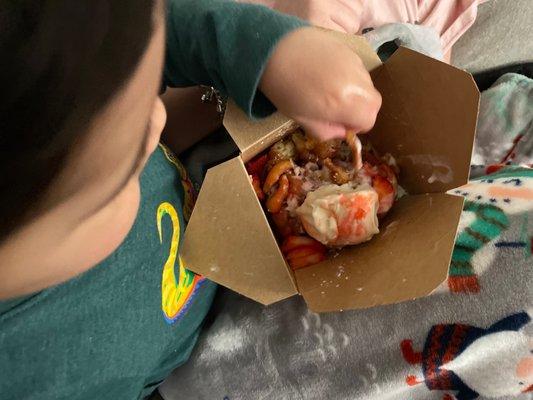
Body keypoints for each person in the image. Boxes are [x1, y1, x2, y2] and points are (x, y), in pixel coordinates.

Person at [0, 0, 381, 399]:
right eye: (128, 162)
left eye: (146, 97)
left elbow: (145, 35)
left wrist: (267, 51)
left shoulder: (56, 48)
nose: (158, 120)